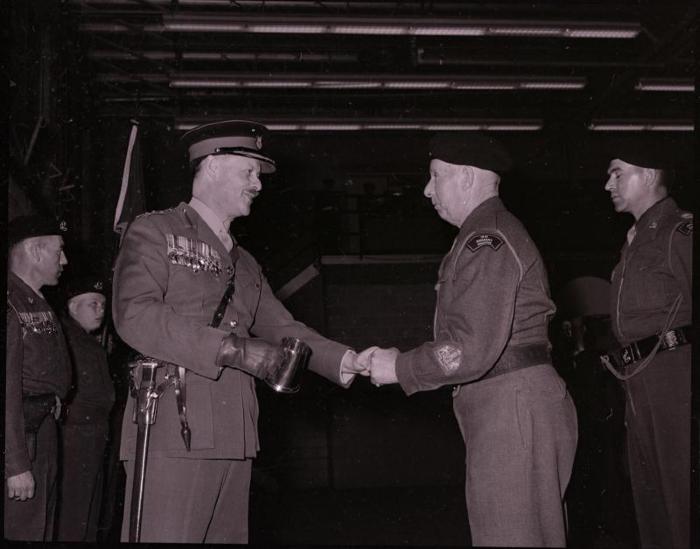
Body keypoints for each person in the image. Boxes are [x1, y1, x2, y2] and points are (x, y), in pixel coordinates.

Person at [111, 120, 368, 543]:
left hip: (235, 430)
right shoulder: (155, 231)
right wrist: (231, 349)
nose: (258, 185)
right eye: (248, 172)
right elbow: (134, 315)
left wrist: (344, 360)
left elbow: (283, 327)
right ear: (211, 167)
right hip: (175, 428)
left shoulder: (244, 262)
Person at [364, 133, 578, 547]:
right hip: (513, 405)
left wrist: (401, 367)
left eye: (435, 176)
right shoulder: (486, 232)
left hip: (510, 408)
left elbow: (472, 347)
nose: (427, 190)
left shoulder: (488, 239)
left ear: (465, 177)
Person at [603, 147, 692, 549]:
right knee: (650, 499)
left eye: (618, 174)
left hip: (676, 382)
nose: (609, 184)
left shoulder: (680, 232)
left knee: (680, 498)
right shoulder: (635, 240)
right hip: (640, 380)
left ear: (651, 174)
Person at [5, 215, 71, 541]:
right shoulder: (11, 303)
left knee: (41, 529)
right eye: (59, 251)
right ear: (33, 250)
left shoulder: (36, 301)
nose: (65, 260)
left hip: (42, 432)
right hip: (21, 440)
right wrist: (15, 464)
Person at [56, 274, 115, 541]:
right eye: (93, 303)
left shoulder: (88, 341)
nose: (100, 310)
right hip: (76, 437)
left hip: (92, 437)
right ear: (72, 306)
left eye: (103, 305)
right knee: (75, 512)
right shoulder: (68, 339)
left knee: (87, 510)